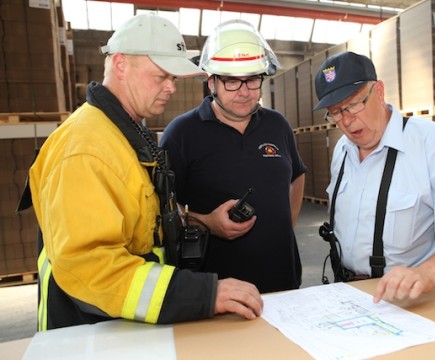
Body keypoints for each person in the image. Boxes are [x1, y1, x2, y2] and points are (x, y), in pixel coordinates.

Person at [25, 14, 262, 331]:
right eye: (161, 76)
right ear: (120, 64)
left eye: (174, 79)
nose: (170, 88)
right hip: (87, 332)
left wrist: (203, 221)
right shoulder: (83, 148)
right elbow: (91, 267)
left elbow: (141, 214)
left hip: (122, 323)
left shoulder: (120, 134)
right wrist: (204, 293)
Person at [313, 51, 435, 303]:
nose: (346, 120)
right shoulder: (342, 151)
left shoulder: (429, 142)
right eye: (335, 112)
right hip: (348, 296)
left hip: (409, 300)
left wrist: (427, 274)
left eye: (354, 104)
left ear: (379, 91)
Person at [160, 20, 306, 293]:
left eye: (252, 80)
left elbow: (296, 176)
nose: (244, 91)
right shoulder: (181, 134)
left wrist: (287, 225)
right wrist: (207, 223)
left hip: (283, 282)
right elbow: (163, 208)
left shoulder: (278, 125)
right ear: (211, 81)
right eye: (231, 81)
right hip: (215, 291)